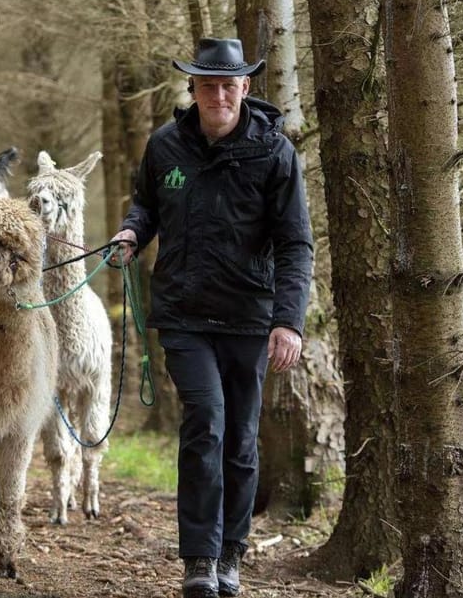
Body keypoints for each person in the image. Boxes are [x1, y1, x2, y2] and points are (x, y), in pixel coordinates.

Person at [110, 37, 313, 598]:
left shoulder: (274, 152)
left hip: (251, 317)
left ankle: (231, 554)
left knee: (241, 441)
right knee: (206, 426)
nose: (218, 94)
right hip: (184, 314)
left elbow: (296, 244)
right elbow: (147, 204)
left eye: (229, 85)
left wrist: (288, 321)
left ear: (245, 88)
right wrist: (132, 231)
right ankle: (199, 559)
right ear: (193, 90)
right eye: (208, 85)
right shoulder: (165, 146)